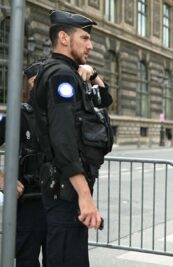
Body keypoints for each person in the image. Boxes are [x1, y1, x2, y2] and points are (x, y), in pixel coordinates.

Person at [31, 10, 113, 266]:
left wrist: (93, 72)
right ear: (64, 38)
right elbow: (64, 140)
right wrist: (84, 195)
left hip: (65, 188)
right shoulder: (62, 76)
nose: (90, 45)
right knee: (67, 258)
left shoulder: (66, 72)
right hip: (66, 189)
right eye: (85, 38)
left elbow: (106, 99)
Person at [0, 61, 47, 267]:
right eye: (33, 82)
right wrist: (2, 179)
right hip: (30, 200)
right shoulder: (20, 114)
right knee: (27, 259)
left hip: (62, 202)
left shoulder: (65, 112)